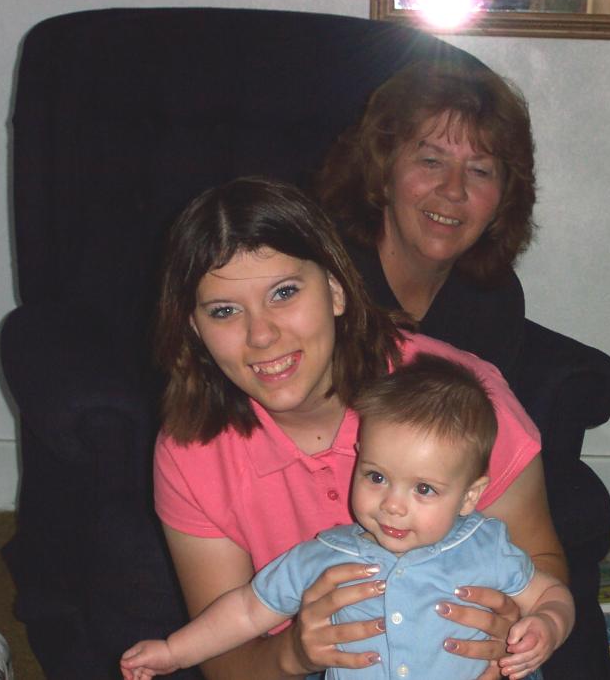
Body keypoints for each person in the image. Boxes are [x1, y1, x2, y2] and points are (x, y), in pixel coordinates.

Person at [149, 175, 566, 679]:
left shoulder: (462, 401)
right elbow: (226, 662)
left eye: (284, 292)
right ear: (195, 329)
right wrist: (293, 654)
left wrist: (514, 637)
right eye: (224, 311)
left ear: (335, 291)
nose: (261, 335)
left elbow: (542, 570)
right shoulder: (191, 450)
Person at [121, 354, 573, 680]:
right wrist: (173, 651)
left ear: (470, 495)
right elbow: (245, 611)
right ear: (357, 458)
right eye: (377, 477)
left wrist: (548, 625)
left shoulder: (485, 547)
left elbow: (551, 593)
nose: (393, 505)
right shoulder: (325, 556)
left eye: (423, 489)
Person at [315, 58, 535, 381]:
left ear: (504, 196)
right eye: (431, 161)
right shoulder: (317, 274)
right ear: (383, 171)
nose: (454, 189)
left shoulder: (494, 301)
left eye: (479, 171)